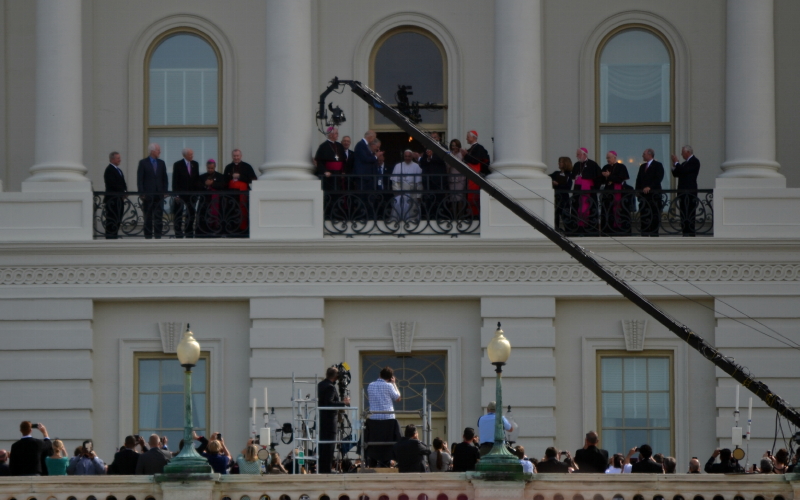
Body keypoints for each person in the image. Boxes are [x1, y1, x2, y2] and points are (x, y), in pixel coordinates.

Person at [317, 366, 351, 474]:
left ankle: (323, 469)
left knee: (323, 446)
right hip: (330, 421)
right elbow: (329, 403)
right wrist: (344, 403)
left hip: (322, 420)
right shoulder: (330, 387)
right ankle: (326, 470)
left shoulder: (321, 384)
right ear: (336, 376)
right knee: (329, 446)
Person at [136, 143, 169, 239]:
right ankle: (148, 237)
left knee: (159, 216)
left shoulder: (161, 163)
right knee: (148, 216)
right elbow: (140, 179)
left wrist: (165, 191)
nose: (160, 152)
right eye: (158, 150)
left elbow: (164, 178)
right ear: (152, 151)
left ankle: (158, 236)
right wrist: (141, 193)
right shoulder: (143, 163)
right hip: (148, 194)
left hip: (159, 194)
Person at [315, 127, 348, 218]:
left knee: (339, 195)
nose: (337, 135)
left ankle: (339, 214)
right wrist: (325, 171)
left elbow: (344, 161)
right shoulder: (323, 146)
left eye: (337, 133)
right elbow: (319, 162)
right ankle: (329, 215)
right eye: (336, 133)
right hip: (329, 176)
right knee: (330, 195)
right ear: (330, 134)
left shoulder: (339, 146)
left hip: (338, 175)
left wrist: (343, 171)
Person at [223, 149, 256, 234]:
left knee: (242, 211)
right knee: (232, 212)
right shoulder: (228, 167)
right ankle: (232, 229)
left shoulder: (247, 166)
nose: (236, 157)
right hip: (231, 195)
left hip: (243, 195)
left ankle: (243, 230)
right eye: (234, 156)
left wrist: (240, 177)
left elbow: (253, 179)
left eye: (237, 156)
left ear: (241, 156)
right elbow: (224, 181)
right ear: (232, 156)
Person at [670, 145, 701, 236]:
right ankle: (685, 232)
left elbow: (684, 171)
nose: (681, 154)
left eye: (682, 152)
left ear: (688, 152)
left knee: (690, 213)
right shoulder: (683, 163)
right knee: (683, 213)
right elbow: (676, 173)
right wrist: (674, 165)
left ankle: (690, 233)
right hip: (682, 193)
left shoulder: (695, 161)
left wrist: (676, 163)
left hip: (690, 192)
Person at [171, 148, 201, 238]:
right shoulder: (178, 164)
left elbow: (197, 179)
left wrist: (197, 194)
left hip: (192, 195)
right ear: (184, 155)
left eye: (192, 154)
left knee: (191, 214)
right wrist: (176, 194)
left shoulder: (195, 164)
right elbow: (175, 180)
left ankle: (189, 233)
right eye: (190, 154)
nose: (192, 156)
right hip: (180, 194)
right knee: (178, 215)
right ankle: (179, 235)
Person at [634, 148, 664, 236]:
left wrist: (649, 187)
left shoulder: (658, 165)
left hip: (654, 197)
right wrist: (637, 190)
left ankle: (654, 234)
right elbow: (638, 179)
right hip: (643, 197)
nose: (642, 155)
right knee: (644, 216)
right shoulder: (642, 166)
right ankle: (644, 234)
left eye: (644, 154)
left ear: (650, 155)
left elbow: (658, 178)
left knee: (654, 216)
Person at [571, 148, 602, 234]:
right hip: (578, 191)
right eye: (577, 154)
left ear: (584, 154)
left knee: (589, 209)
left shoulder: (592, 164)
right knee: (577, 208)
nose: (577, 156)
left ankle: (589, 228)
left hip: (588, 192)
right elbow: (573, 176)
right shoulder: (577, 165)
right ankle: (578, 228)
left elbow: (598, 178)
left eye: (578, 154)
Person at [460, 131, 490, 215]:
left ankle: (474, 215)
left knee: (473, 198)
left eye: (468, 137)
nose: (466, 138)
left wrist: (466, 155)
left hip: (475, 176)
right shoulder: (472, 148)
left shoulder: (479, 148)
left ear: (473, 137)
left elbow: (475, 160)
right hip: (469, 177)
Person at [600, 151, 630, 234]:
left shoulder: (621, 167)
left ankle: (618, 229)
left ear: (614, 157)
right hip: (607, 194)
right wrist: (604, 176)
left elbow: (620, 180)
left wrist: (609, 176)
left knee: (618, 211)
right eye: (607, 158)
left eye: (609, 158)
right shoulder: (606, 167)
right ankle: (607, 229)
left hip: (618, 193)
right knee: (607, 211)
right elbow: (601, 181)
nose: (607, 160)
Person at [390, 150, 424, 222]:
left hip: (412, 191)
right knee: (399, 203)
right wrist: (398, 192)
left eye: (409, 156)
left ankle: (412, 221)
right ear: (403, 156)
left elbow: (419, 183)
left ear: (412, 157)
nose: (407, 158)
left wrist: (419, 195)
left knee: (413, 206)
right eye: (406, 156)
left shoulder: (416, 166)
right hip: (400, 191)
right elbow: (394, 182)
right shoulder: (398, 166)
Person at [418, 131, 448, 213]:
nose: (433, 139)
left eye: (434, 137)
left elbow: (443, 159)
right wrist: (428, 158)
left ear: (438, 138)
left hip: (439, 178)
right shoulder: (427, 147)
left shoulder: (443, 147)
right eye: (431, 137)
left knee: (439, 198)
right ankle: (429, 215)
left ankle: (440, 215)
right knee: (428, 199)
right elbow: (422, 162)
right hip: (428, 178)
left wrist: (431, 156)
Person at [196, 159, 226, 237]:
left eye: (212, 168)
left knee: (217, 219)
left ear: (215, 167)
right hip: (205, 202)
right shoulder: (202, 177)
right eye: (209, 168)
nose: (210, 170)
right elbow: (198, 187)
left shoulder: (220, 176)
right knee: (204, 219)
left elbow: (223, 186)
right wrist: (205, 184)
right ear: (206, 167)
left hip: (217, 202)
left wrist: (212, 184)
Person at [103, 151, 128, 239]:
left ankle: (115, 236)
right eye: (118, 158)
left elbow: (123, 183)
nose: (120, 160)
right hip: (112, 200)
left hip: (119, 199)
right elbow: (112, 183)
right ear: (112, 159)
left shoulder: (119, 170)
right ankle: (110, 237)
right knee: (112, 219)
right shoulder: (109, 170)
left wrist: (125, 192)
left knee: (118, 219)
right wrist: (122, 191)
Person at [550, 157, 573, 231]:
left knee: (565, 215)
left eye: (561, 162)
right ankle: (555, 230)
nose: (559, 164)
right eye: (559, 162)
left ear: (566, 163)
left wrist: (558, 185)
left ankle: (568, 232)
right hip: (556, 197)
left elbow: (568, 187)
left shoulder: (569, 175)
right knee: (555, 215)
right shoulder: (556, 173)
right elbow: (548, 177)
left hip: (564, 198)